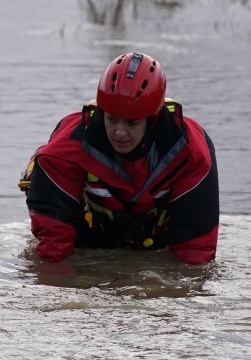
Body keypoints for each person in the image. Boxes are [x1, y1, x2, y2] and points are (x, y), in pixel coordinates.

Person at [19, 52, 218, 265]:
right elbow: (52, 252)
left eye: (132, 123)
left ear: (153, 119)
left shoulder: (192, 152)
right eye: (111, 119)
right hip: (89, 238)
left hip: (159, 239)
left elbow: (196, 252)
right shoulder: (63, 152)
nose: (119, 132)